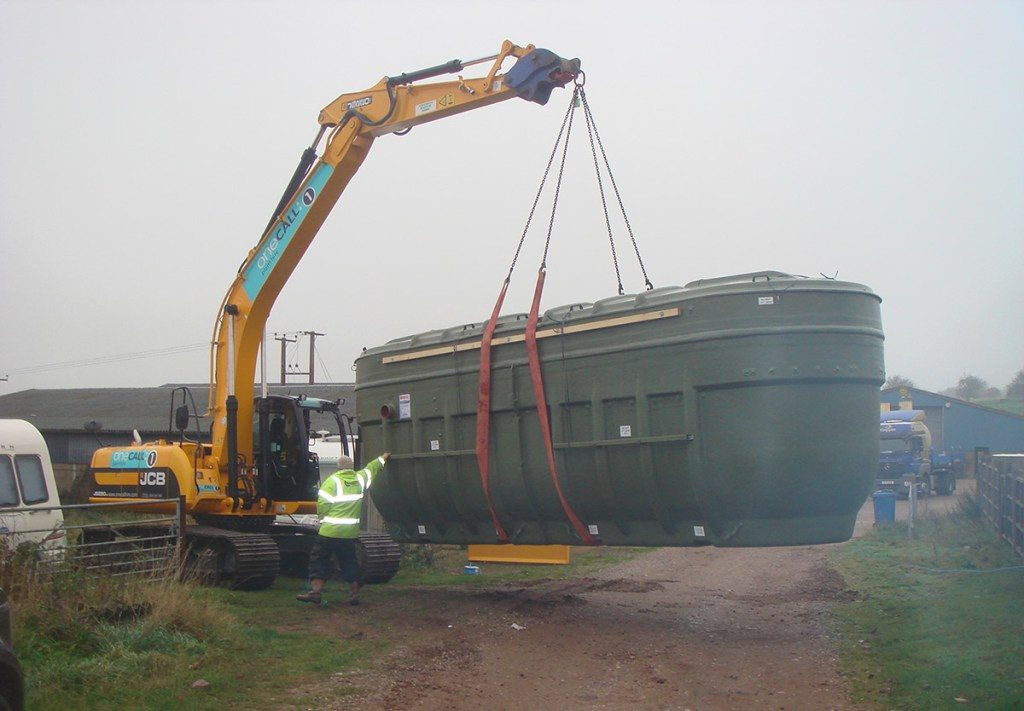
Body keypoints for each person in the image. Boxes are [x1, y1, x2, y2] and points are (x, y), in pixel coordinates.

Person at [297, 451, 390, 605]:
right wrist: (384, 458)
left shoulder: (331, 481)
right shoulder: (360, 479)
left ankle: (316, 592)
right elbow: (372, 468)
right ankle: (354, 594)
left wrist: (323, 520)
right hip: (349, 534)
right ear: (351, 467)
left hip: (329, 532)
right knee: (349, 562)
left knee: (319, 560)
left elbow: (323, 505)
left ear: (338, 467)